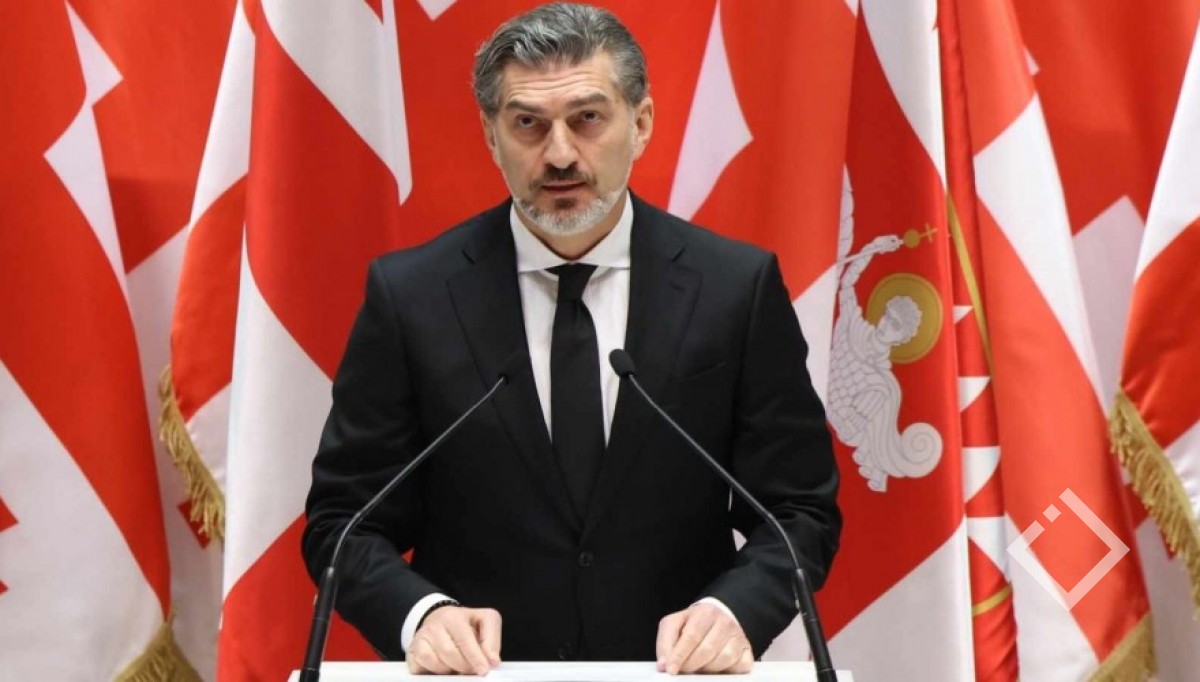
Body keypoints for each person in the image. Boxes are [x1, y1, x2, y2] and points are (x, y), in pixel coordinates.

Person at [302, 2, 840, 676]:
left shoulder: (735, 288)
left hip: (671, 674)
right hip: (484, 676)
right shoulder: (412, 296)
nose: (559, 155)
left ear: (640, 124)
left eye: (587, 118)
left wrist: (735, 610)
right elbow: (343, 522)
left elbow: (798, 508)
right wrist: (422, 615)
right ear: (491, 135)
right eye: (528, 124)